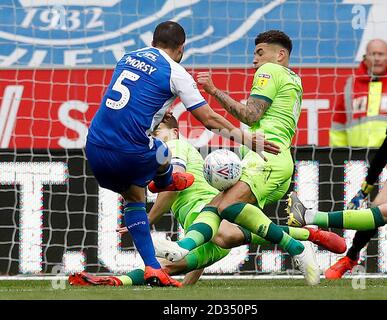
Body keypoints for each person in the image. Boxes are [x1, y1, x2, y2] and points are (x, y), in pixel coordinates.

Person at [85, 21, 280, 288]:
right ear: (181, 48)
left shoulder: (128, 57)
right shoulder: (176, 73)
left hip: (94, 147)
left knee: (133, 198)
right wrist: (247, 138)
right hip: (131, 150)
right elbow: (208, 119)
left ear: (153, 42)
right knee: (164, 148)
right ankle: (166, 180)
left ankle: (153, 267)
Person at [70, 116, 346, 287]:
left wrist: (147, 219)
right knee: (162, 270)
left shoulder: (174, 147)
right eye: (152, 136)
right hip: (207, 235)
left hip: (209, 214)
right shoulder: (160, 154)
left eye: (158, 134)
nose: (154, 140)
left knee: (223, 233)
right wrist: (190, 283)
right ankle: (114, 281)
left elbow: (172, 188)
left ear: (173, 132)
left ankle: (303, 238)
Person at [151, 30, 325, 285]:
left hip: (266, 158)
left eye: (260, 53)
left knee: (221, 208)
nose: (254, 60)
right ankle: (184, 248)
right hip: (275, 160)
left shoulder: (269, 72)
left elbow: (250, 115)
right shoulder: (293, 79)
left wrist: (213, 90)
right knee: (218, 216)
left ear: (280, 55)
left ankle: (297, 246)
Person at [287, 100, 387, 238]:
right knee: (384, 209)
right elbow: (384, 152)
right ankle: (311, 219)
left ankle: (309, 217)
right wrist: (364, 190)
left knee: (386, 210)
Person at [329, 39, 387, 147]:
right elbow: (338, 127)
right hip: (357, 158)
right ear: (365, 58)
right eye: (373, 54)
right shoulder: (351, 85)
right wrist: (338, 156)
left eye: (381, 54)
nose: (376, 58)